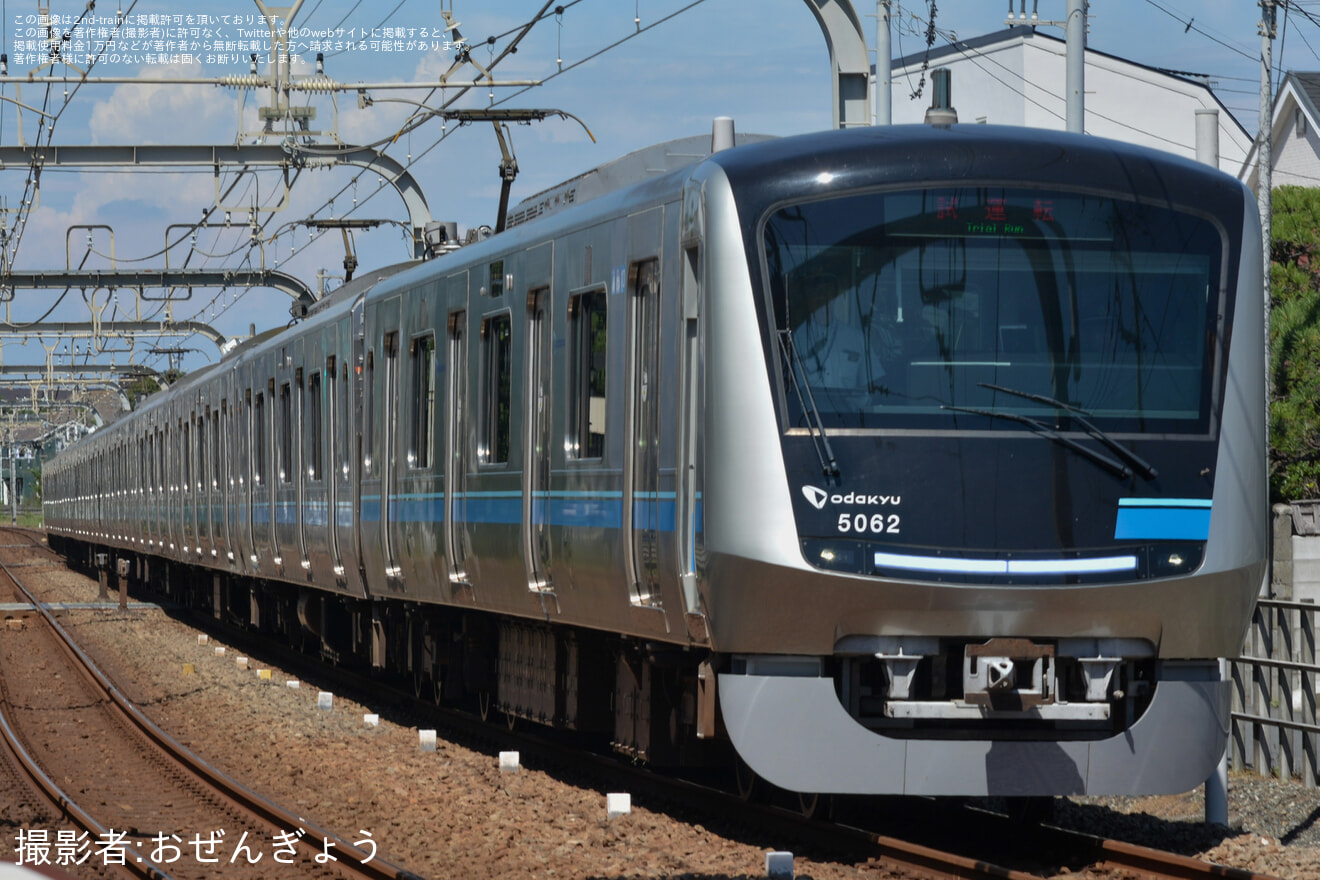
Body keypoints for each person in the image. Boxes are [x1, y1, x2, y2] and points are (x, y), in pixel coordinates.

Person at [791, 275, 896, 392]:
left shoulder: (856, 338)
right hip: (805, 410)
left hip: (850, 410)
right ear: (809, 300)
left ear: (834, 298)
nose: (823, 299)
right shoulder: (795, 339)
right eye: (817, 294)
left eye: (827, 294)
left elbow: (873, 382)